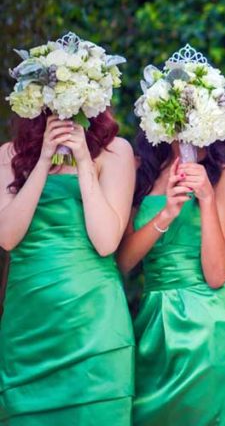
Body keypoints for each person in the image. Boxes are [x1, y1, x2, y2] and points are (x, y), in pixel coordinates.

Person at [0, 111, 135, 424]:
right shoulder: (8, 155)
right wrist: (44, 160)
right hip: (29, 325)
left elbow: (106, 242)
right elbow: (7, 238)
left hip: (92, 325)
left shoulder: (116, 151)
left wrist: (84, 161)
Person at [117, 133, 225, 425]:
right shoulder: (143, 171)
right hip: (153, 320)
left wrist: (207, 199)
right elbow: (123, 262)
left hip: (207, 323)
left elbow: (216, 274)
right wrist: (167, 213)